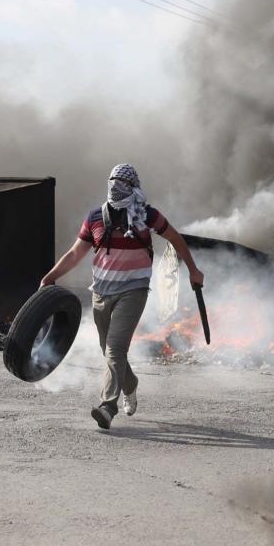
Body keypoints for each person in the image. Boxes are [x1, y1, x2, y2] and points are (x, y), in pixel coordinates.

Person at [40, 164, 204, 430]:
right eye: (113, 181)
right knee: (107, 349)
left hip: (134, 290)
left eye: (122, 183)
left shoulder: (146, 215)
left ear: (134, 187)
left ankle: (107, 406)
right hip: (102, 292)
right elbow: (74, 254)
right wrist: (50, 277)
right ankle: (131, 384)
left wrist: (193, 270)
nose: (116, 187)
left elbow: (175, 238)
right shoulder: (95, 217)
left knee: (115, 349)